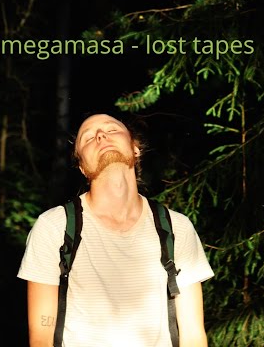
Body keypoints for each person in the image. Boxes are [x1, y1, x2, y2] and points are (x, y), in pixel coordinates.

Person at [18, 113, 214, 347]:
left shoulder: (176, 227)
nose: (101, 135)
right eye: (88, 138)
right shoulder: (54, 226)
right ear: (82, 167)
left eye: (112, 130)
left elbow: (193, 335)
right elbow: (42, 337)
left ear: (135, 148)